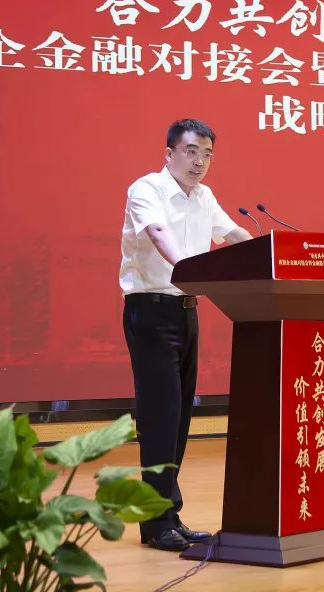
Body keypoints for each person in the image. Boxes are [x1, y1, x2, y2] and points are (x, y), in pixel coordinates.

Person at [118, 118, 253, 552]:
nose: (200, 162)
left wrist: (267, 253)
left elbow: (232, 234)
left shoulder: (204, 196)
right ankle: (155, 524)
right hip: (151, 312)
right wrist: (191, 270)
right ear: (170, 153)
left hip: (186, 312)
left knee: (177, 421)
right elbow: (159, 234)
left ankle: (169, 516)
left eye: (207, 155)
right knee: (160, 418)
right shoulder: (147, 189)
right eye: (192, 152)